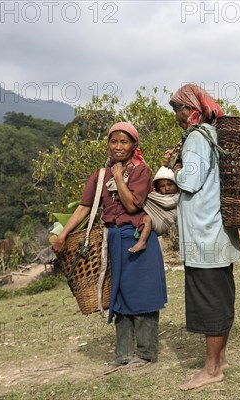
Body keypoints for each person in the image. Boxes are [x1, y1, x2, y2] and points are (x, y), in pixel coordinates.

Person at [52, 122, 168, 373]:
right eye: (113, 141)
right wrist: (63, 234)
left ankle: (147, 354)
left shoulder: (141, 172)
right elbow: (84, 207)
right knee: (119, 294)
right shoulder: (99, 175)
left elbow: (133, 206)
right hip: (112, 239)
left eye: (124, 142)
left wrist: (118, 175)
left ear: (134, 145)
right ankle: (123, 355)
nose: (118, 146)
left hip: (138, 238)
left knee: (142, 294)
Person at [164, 84, 240, 390]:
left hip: (205, 235)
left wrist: (176, 167)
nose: (176, 115)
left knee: (210, 302)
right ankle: (219, 360)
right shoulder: (214, 135)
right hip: (218, 234)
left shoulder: (197, 138)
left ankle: (211, 369)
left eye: (178, 109)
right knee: (220, 298)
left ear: (192, 109)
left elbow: (191, 181)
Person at [128, 166, 179, 253]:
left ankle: (142, 242)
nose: (167, 188)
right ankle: (141, 241)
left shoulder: (179, 196)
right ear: (158, 188)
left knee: (147, 219)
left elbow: (167, 203)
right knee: (146, 219)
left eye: (170, 184)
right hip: (154, 220)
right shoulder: (156, 196)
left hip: (164, 223)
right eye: (162, 186)